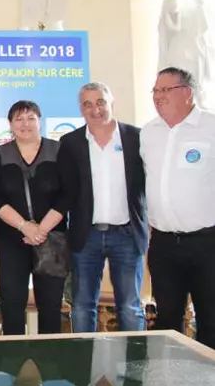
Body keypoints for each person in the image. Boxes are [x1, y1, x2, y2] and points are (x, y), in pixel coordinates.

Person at [57, 82, 147, 333]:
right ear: (80, 109)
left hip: (127, 235)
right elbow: (65, 190)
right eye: (87, 104)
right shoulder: (70, 142)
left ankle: (134, 370)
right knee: (83, 306)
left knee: (129, 306)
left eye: (100, 102)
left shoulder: (136, 138)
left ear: (111, 103)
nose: (95, 109)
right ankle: (82, 369)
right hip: (86, 236)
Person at [141, 67, 215, 349]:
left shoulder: (210, 126)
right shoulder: (148, 133)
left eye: (165, 90)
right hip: (164, 245)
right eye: (155, 91)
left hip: (207, 243)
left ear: (187, 92)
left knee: (210, 318)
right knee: (168, 320)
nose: (158, 97)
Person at [0, 100, 68, 335]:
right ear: (10, 124)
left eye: (31, 118)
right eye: (18, 119)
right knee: (11, 306)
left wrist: (41, 230)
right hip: (11, 242)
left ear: (40, 121)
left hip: (52, 239)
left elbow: (68, 194)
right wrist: (25, 227)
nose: (25, 124)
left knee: (51, 307)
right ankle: (13, 366)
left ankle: (51, 368)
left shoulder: (59, 151)